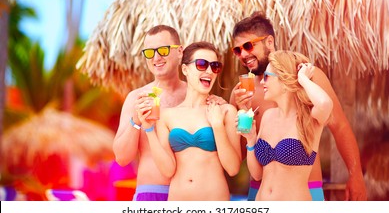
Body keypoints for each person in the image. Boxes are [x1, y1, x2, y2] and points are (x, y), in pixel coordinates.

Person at [230, 12, 367, 201]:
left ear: (269, 42)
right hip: (259, 190)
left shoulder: (309, 78)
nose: (244, 54)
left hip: (304, 190)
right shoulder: (242, 92)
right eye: (238, 50)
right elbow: (241, 154)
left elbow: (339, 126)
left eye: (248, 46)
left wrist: (356, 174)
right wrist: (238, 110)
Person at [136, 41, 242, 200]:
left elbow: (233, 168)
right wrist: (149, 129)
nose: (209, 70)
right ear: (185, 69)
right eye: (201, 64)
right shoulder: (167, 115)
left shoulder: (226, 111)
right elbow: (168, 170)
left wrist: (217, 126)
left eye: (214, 66)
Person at [241, 50, 333, 200]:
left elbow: (325, 103)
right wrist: (250, 140)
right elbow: (257, 175)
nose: (262, 82)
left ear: (284, 81)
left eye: (267, 77)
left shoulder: (310, 117)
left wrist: (302, 79)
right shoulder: (268, 116)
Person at [113, 25, 187, 201]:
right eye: (149, 52)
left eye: (162, 50)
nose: (156, 57)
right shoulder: (135, 98)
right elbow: (122, 158)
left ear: (180, 51)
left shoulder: (196, 95)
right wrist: (135, 120)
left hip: (190, 196)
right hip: (152, 194)